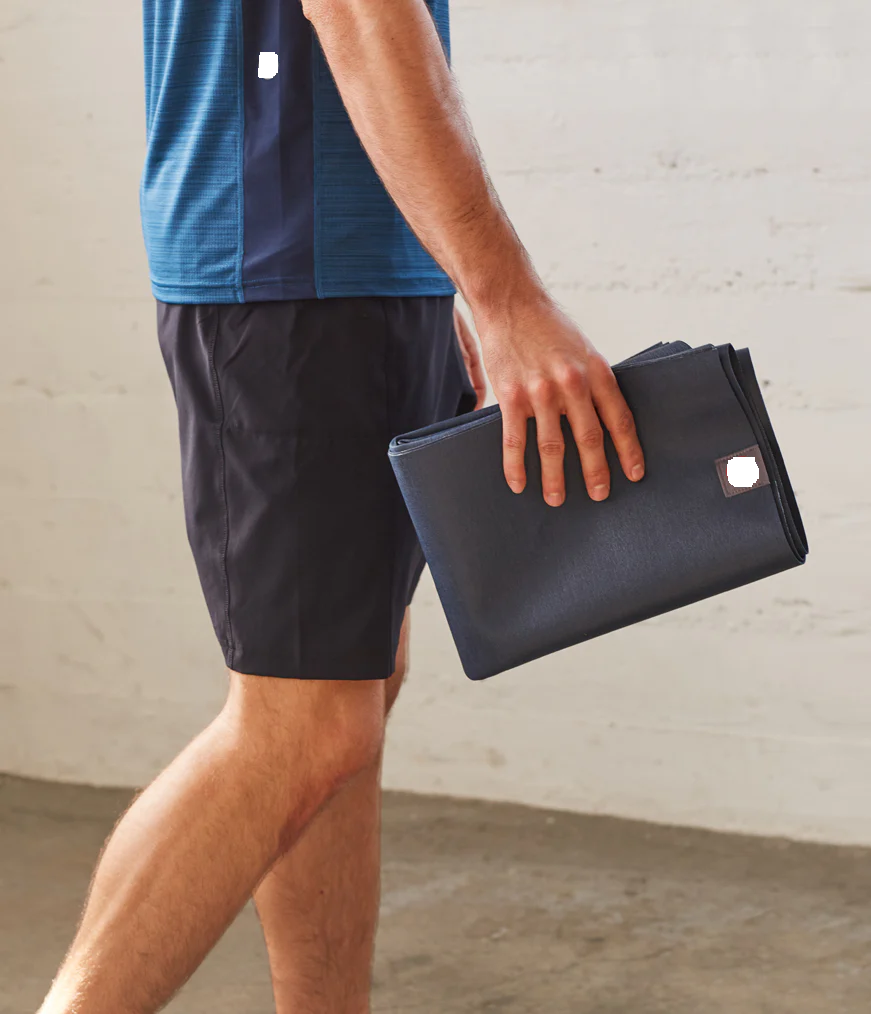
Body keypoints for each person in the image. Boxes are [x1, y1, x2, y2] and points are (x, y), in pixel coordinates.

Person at [38, 0, 645, 1011]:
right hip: (290, 266)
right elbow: (360, 16)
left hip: (352, 265)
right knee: (300, 724)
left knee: (348, 693)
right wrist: (503, 294)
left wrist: (431, 273)